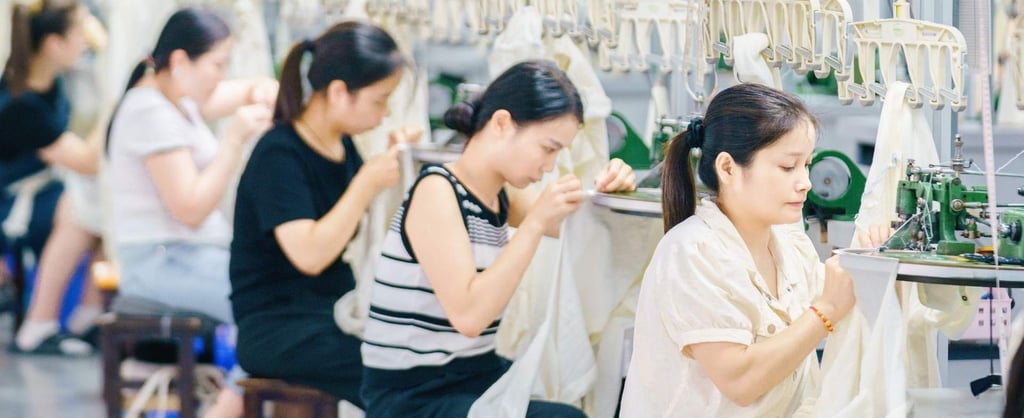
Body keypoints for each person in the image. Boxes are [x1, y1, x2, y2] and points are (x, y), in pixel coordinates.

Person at [360, 59, 637, 418]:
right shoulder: (437, 191)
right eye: (548, 148)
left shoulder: (498, 194)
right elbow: (470, 316)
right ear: (503, 123)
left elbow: (577, 226)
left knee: (577, 392)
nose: (549, 166)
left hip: (473, 375)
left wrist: (612, 185)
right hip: (413, 395)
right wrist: (535, 224)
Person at [620, 83, 861, 416]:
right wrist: (825, 311)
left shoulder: (791, 245)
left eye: (807, 164)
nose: (805, 181)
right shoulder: (690, 252)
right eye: (788, 167)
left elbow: (847, 301)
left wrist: (872, 254)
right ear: (729, 168)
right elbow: (741, 381)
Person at [229, 21, 413, 414]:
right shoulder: (278, 154)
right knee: (391, 371)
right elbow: (309, 255)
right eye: (379, 101)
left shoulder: (343, 146)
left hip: (326, 313)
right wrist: (365, 183)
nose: (384, 114)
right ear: (337, 92)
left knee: (415, 354)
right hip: (276, 328)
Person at [104, 8, 274, 416]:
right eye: (217, 64)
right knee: (269, 316)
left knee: (276, 306)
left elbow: (242, 91)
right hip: (163, 263)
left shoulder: (176, 100)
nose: (221, 74)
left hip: (187, 257)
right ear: (180, 62)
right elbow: (191, 210)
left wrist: (264, 89)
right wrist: (234, 140)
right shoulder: (150, 112)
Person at [0, 0, 108, 355]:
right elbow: (86, 161)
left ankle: (88, 316)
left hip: (37, 191)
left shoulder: (49, 85)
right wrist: (115, 105)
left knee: (107, 206)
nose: (84, 42)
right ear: (52, 43)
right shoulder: (20, 103)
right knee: (78, 210)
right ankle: (39, 323)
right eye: (76, 33)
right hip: (10, 206)